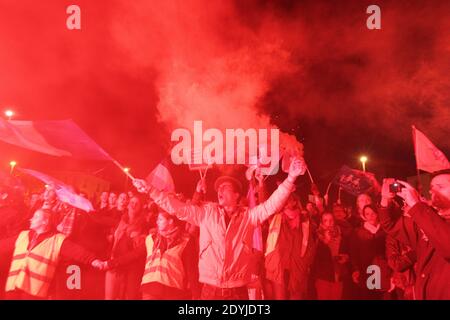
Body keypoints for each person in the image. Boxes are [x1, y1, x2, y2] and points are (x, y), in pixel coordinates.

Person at [133, 157, 307, 300]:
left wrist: (291, 178)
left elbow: (271, 205)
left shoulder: (249, 217)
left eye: (225, 188)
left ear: (237, 195)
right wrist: (150, 190)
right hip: (210, 290)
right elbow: (178, 209)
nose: (219, 191)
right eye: (218, 189)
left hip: (238, 292)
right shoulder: (206, 213)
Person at [0, 208, 107, 299]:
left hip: (33, 293)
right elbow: (3, 245)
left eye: (36, 217)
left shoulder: (57, 240)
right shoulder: (23, 235)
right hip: (13, 288)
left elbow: (76, 251)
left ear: (45, 222)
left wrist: (93, 260)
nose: (31, 219)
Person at [378, 172, 450, 299]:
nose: (433, 191)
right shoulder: (428, 218)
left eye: (440, 186)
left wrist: (417, 206)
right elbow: (390, 225)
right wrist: (385, 199)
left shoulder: (427, 217)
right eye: (431, 188)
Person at [107, 209, 199, 299]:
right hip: (150, 288)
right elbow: (134, 254)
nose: (157, 222)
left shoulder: (186, 240)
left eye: (160, 219)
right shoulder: (151, 239)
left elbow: (191, 269)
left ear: (170, 221)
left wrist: (196, 294)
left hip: (173, 290)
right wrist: (109, 263)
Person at [264, 193, 316, 299]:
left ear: (295, 202)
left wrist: (305, 262)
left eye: (289, 200)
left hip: (297, 267)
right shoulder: (275, 218)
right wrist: (260, 185)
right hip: (278, 266)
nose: (286, 202)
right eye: (284, 200)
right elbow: (264, 206)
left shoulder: (304, 221)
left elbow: (310, 244)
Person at [105, 195, 148, 299]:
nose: (133, 205)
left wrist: (139, 237)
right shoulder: (120, 220)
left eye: (137, 203)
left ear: (141, 207)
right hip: (114, 263)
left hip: (131, 269)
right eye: (132, 202)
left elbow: (140, 250)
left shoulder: (144, 225)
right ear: (128, 205)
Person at [350, 204, 390, 299]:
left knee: (384, 295)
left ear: (377, 214)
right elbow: (354, 253)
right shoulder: (358, 232)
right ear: (364, 216)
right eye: (367, 214)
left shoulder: (384, 230)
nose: (371, 216)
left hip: (384, 271)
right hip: (367, 271)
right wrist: (356, 269)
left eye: (373, 213)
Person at [312, 212, 349, 300]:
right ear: (321, 222)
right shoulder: (317, 236)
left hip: (338, 275)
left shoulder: (341, 235)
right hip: (323, 277)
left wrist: (346, 258)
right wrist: (325, 242)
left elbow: (347, 251)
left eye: (331, 220)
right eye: (325, 220)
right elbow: (314, 256)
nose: (329, 223)